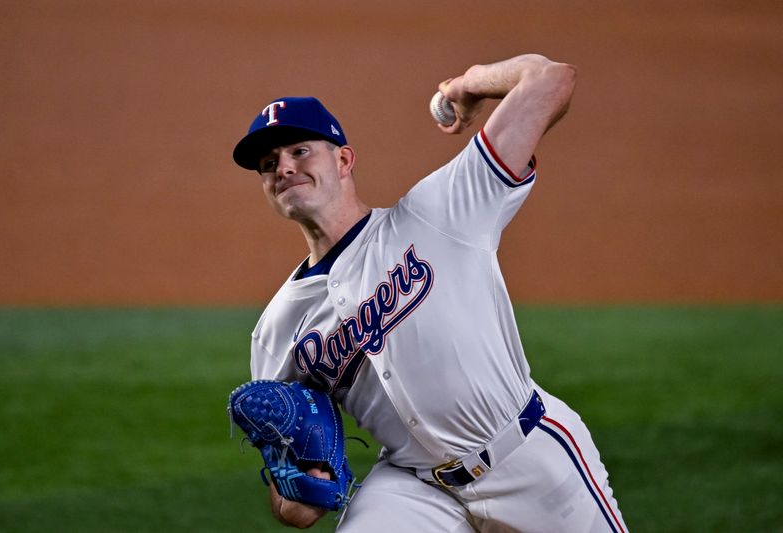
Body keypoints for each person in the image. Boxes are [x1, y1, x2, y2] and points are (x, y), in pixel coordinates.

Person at [232, 53, 628, 532]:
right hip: (412, 487)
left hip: (526, 455)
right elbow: (293, 507)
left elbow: (551, 79)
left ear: (343, 159)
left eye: (299, 151)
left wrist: (471, 84)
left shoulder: (437, 213)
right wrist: (303, 488)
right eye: (269, 164)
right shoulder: (277, 331)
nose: (284, 168)